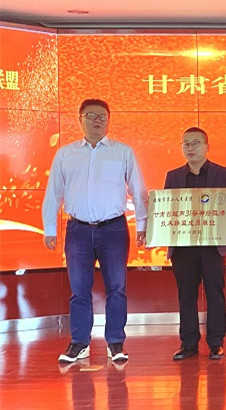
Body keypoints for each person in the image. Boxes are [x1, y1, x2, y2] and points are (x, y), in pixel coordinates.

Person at [42, 98, 148, 363]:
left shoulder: (122, 152)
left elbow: (138, 190)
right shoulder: (65, 154)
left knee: (117, 288)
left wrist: (143, 225)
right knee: (79, 289)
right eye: (91, 115)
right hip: (77, 230)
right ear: (80, 119)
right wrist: (50, 228)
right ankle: (79, 343)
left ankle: (116, 342)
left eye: (102, 116)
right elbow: (54, 192)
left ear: (109, 121)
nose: (97, 120)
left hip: (113, 230)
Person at [164, 127, 226, 360]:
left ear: (207, 147)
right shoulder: (173, 176)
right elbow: (166, 209)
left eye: (196, 143)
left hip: (213, 244)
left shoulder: (221, 173)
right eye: (186, 144)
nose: (191, 148)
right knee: (186, 294)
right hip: (183, 245)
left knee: (214, 292)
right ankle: (188, 343)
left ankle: (216, 342)